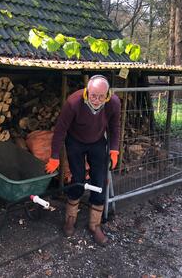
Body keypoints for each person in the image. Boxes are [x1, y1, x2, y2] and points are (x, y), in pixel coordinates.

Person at [45, 75, 121, 246]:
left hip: (97, 142)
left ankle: (95, 225)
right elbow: (60, 131)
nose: (96, 100)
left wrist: (114, 150)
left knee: (99, 180)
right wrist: (54, 156)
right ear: (87, 91)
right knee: (77, 179)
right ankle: (70, 218)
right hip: (75, 141)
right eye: (93, 95)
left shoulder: (114, 103)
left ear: (107, 95)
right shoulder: (73, 102)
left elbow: (115, 127)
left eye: (101, 96)